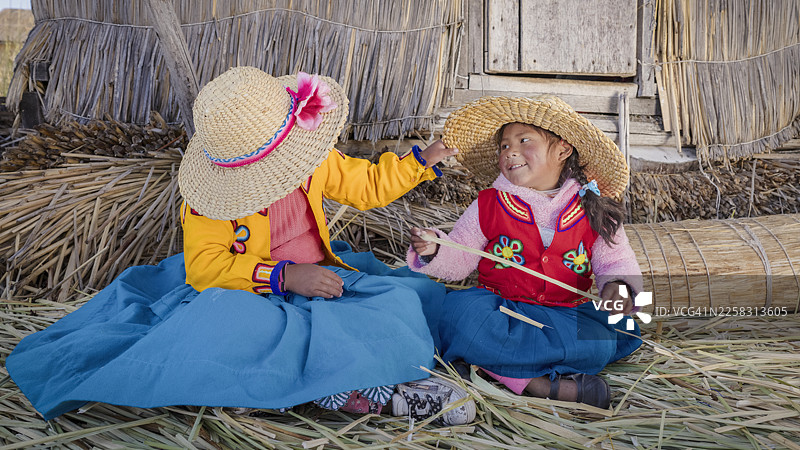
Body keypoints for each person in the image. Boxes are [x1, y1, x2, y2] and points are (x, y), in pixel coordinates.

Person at [6, 66, 475, 425]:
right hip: (251, 289)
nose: (285, 174)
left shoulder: (310, 156)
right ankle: (350, 392)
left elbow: (366, 184)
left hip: (323, 274)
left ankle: (333, 387)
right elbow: (206, 265)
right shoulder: (210, 200)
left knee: (400, 302)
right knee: (227, 328)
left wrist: (420, 162)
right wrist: (283, 276)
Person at [407, 95, 643, 409]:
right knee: (457, 315)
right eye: (504, 145)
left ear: (562, 150)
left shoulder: (594, 209)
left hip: (562, 315)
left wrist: (619, 287)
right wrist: (436, 248)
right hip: (499, 311)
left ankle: (487, 366)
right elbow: (461, 258)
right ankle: (537, 384)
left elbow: (616, 260)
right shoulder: (489, 204)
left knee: (600, 342)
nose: (510, 151)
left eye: (524, 140)